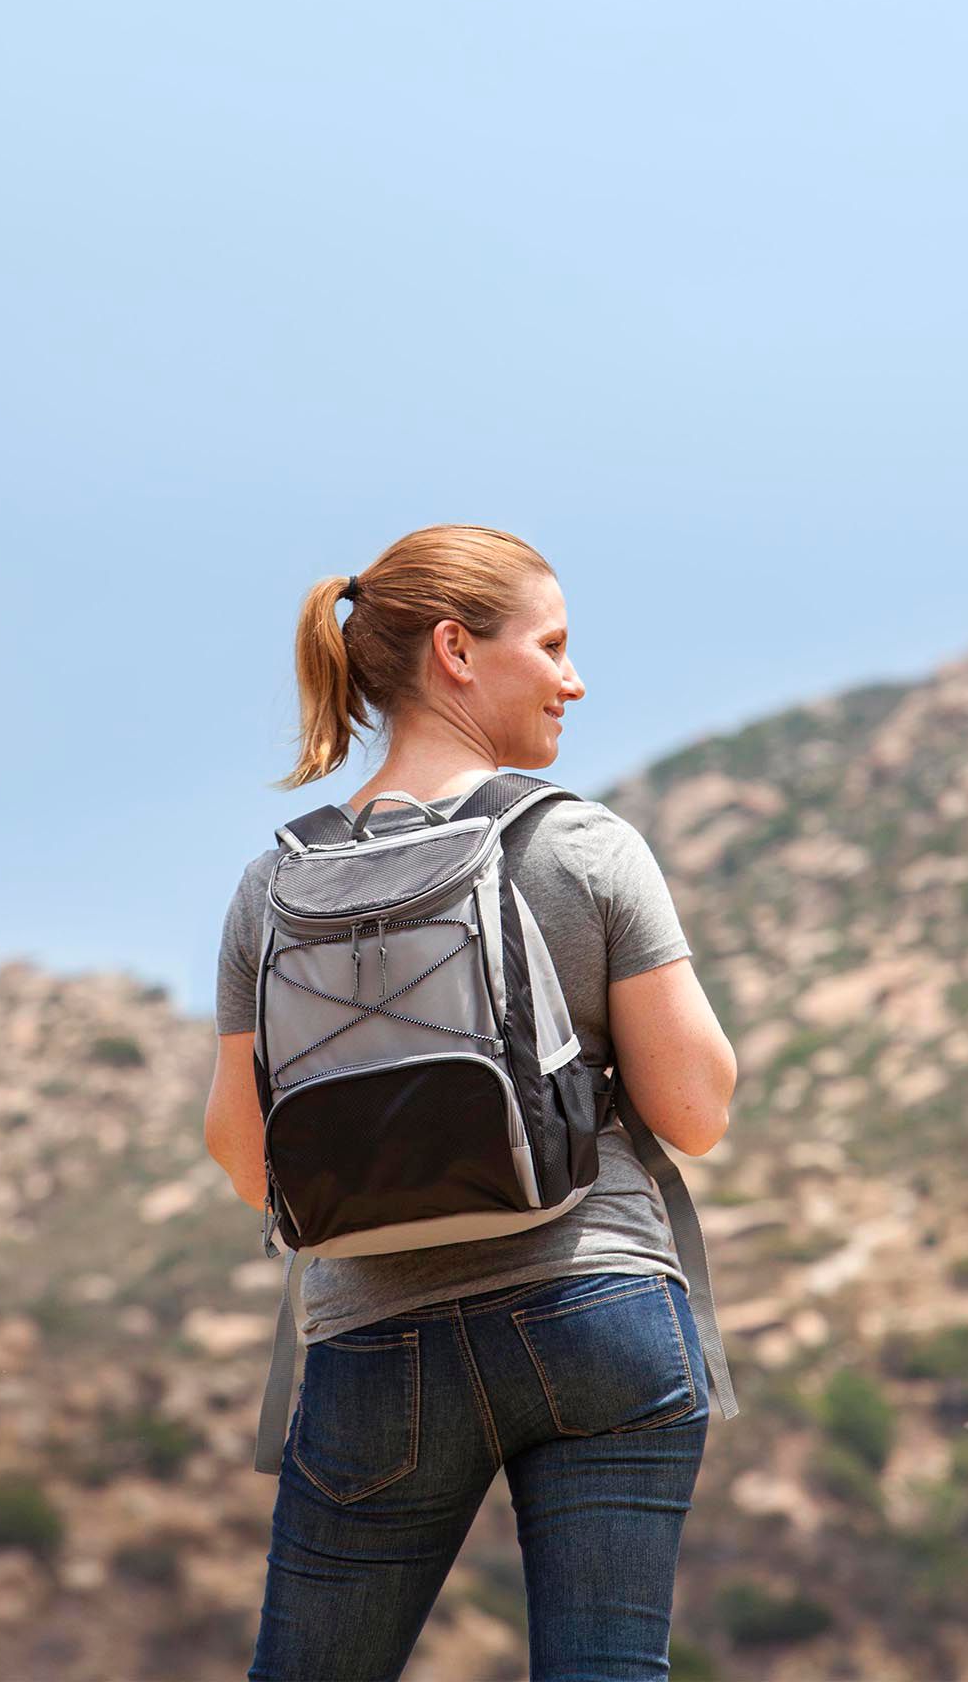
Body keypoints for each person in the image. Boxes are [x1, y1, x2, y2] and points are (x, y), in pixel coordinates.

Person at [205, 522, 738, 1681]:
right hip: (595, 1308)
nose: (573, 676)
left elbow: (245, 1159)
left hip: (371, 1348)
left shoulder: (275, 883)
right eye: (550, 644)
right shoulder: (580, 842)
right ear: (455, 647)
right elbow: (695, 1107)